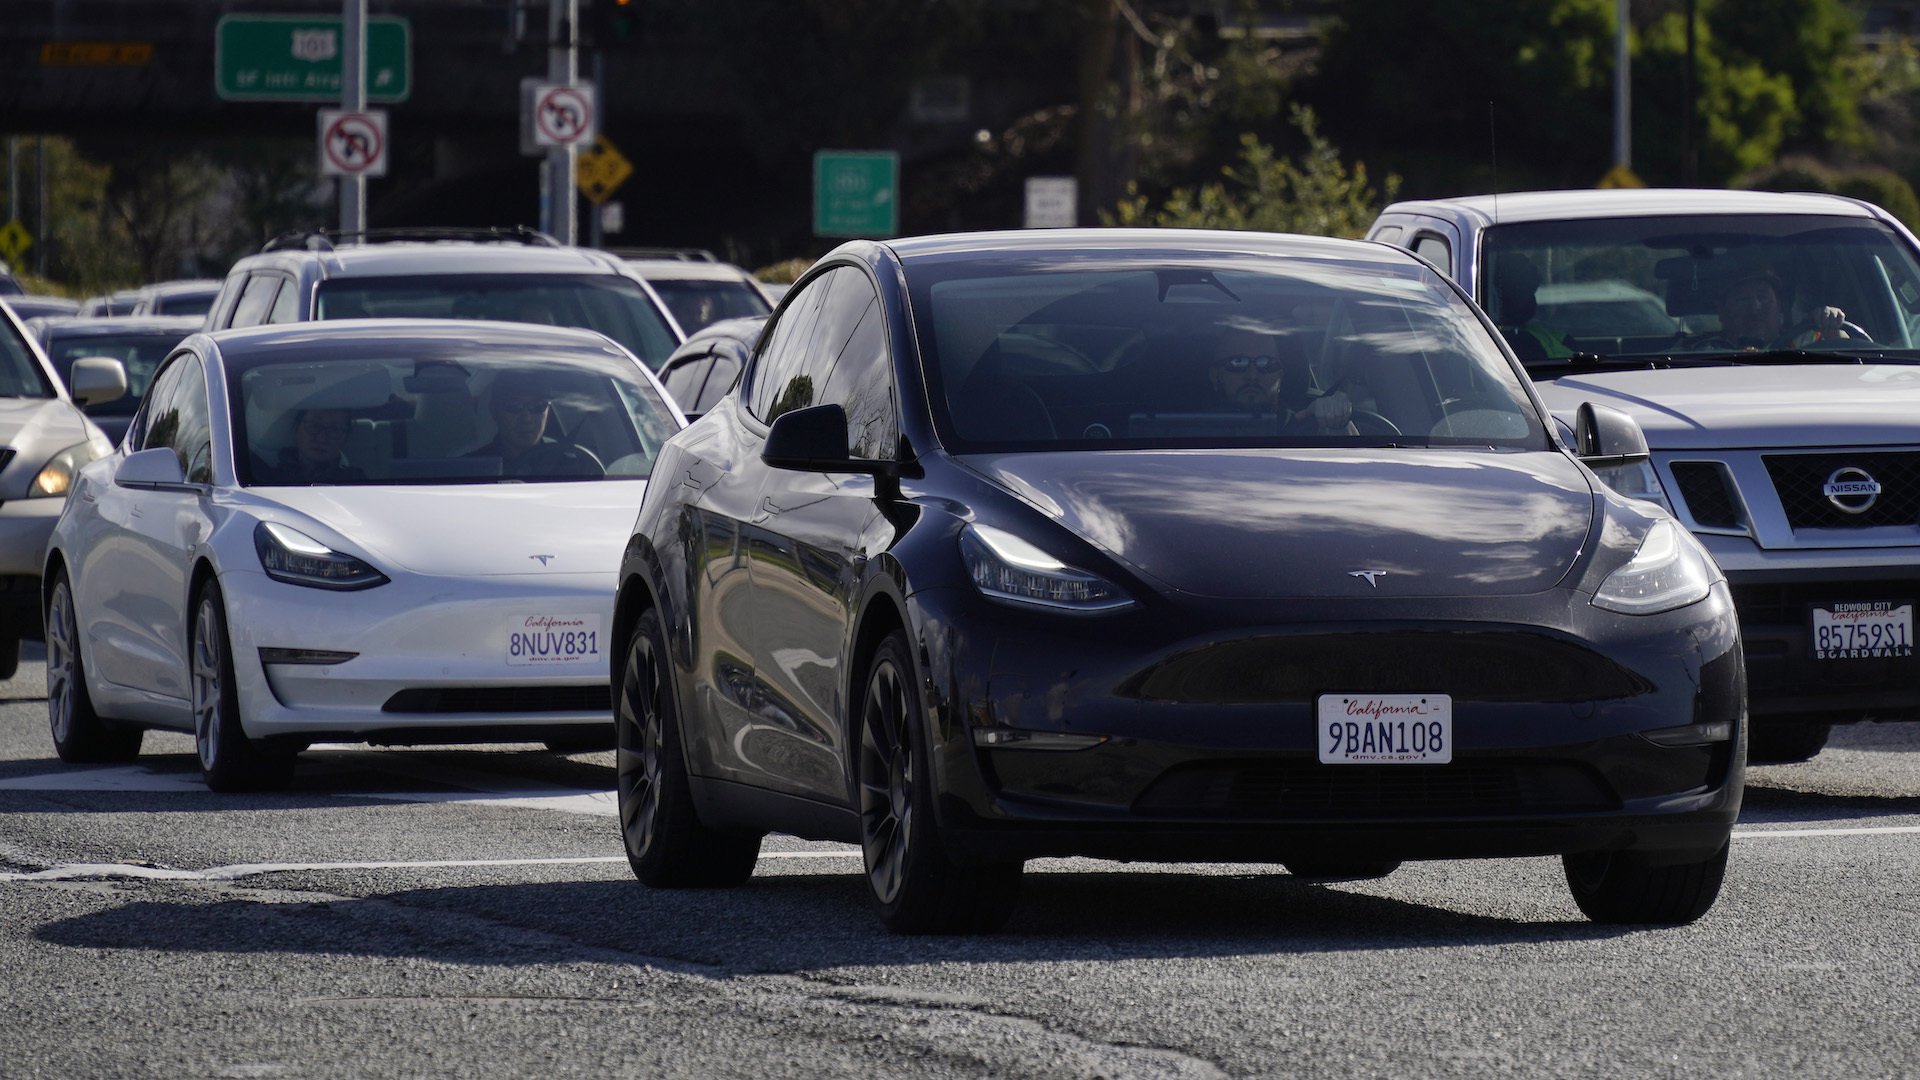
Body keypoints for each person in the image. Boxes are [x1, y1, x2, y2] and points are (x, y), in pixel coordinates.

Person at [1205, 326, 1352, 433]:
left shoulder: (1310, 423)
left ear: (1280, 375)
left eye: (1266, 364)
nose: (1252, 375)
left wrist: (1338, 420)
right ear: (1215, 374)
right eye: (1238, 362)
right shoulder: (1187, 430)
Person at [468, 370, 602, 477]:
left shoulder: (577, 468)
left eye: (537, 406)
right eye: (514, 406)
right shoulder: (470, 469)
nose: (527, 417)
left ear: (548, 409)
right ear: (494, 411)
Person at [1698, 267, 1853, 351]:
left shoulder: (1805, 343)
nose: (1755, 307)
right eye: (1743, 300)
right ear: (1722, 311)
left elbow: (1851, 366)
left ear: (1780, 307)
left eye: (1764, 298)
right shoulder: (1702, 351)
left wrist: (1832, 328)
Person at [1491, 253, 1573, 360]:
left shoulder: (1549, 334)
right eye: (1525, 291)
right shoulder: (1521, 343)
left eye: (1532, 292)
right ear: (1499, 295)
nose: (1532, 300)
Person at [253, 408, 365, 484]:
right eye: (314, 426)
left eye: (334, 430)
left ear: (346, 438)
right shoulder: (262, 478)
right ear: (297, 429)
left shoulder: (357, 481)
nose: (322, 438)